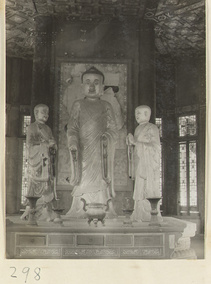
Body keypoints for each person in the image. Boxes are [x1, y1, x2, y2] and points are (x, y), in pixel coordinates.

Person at [66, 66, 118, 218]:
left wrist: (106, 137)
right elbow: (72, 128)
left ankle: (103, 207)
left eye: (96, 82)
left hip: (101, 150)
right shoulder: (78, 105)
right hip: (83, 150)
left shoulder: (106, 106)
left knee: (101, 178)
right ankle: (80, 208)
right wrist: (73, 142)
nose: (91, 85)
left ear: (102, 86)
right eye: (88, 82)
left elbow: (113, 129)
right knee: (82, 176)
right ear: (82, 86)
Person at [21, 104, 57, 221]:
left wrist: (53, 146)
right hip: (37, 162)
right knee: (35, 184)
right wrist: (45, 145)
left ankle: (47, 209)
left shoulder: (48, 129)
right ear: (36, 114)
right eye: (43, 112)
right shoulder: (32, 127)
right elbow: (30, 145)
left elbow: (52, 143)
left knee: (47, 185)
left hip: (47, 162)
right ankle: (32, 209)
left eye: (47, 112)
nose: (46, 115)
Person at [126, 105, 162, 222]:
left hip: (149, 166)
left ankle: (150, 213)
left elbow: (155, 147)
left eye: (139, 113)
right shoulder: (137, 129)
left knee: (147, 188)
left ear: (147, 114)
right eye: (136, 113)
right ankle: (139, 213)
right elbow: (135, 150)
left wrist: (136, 143)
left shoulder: (152, 128)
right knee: (139, 188)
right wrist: (130, 144)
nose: (137, 116)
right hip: (140, 163)